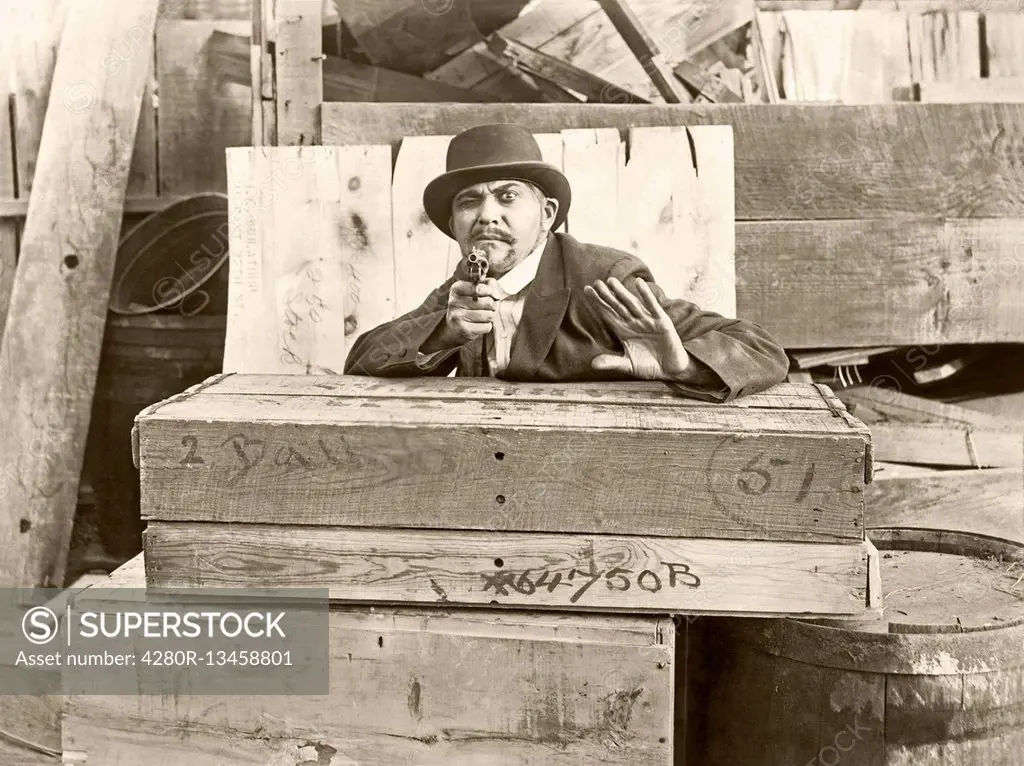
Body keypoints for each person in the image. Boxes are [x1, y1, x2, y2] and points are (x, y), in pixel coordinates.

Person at [344, 123, 789, 402]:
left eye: (508, 196)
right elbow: (361, 363)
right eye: (469, 202)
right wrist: (443, 332)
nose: (486, 214)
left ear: (547, 215)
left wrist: (683, 365)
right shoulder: (465, 290)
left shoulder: (604, 279)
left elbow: (761, 349)